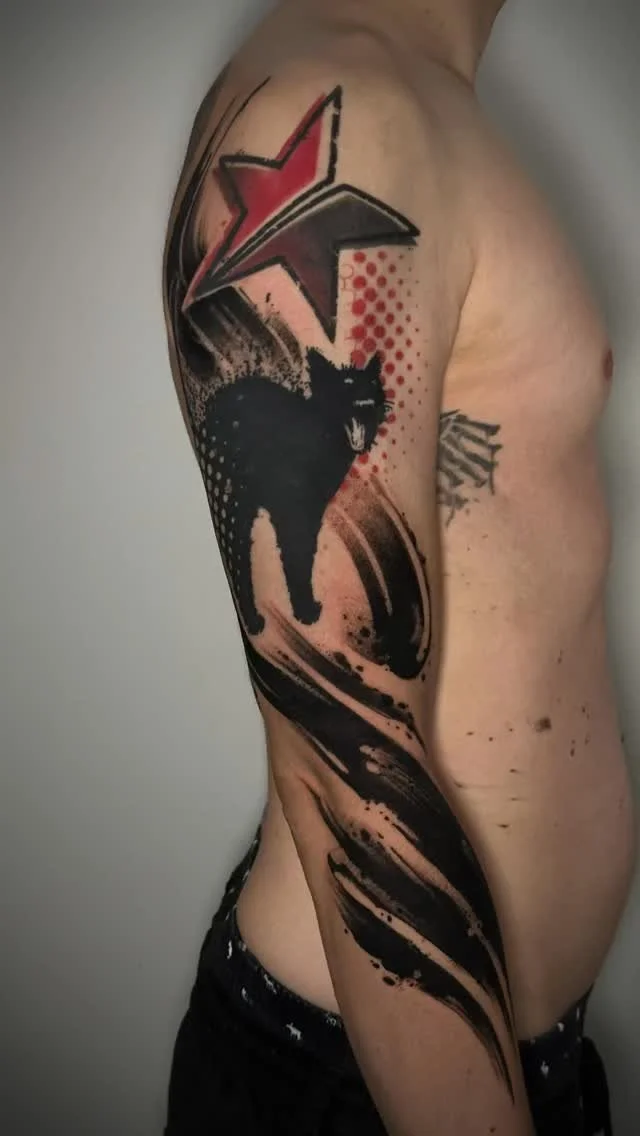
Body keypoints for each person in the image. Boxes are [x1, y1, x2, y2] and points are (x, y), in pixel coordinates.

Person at [161, 1, 636, 1131]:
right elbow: (345, 751)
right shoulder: (340, 115)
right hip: (382, 1084)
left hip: (487, 1064)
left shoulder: (415, 109)